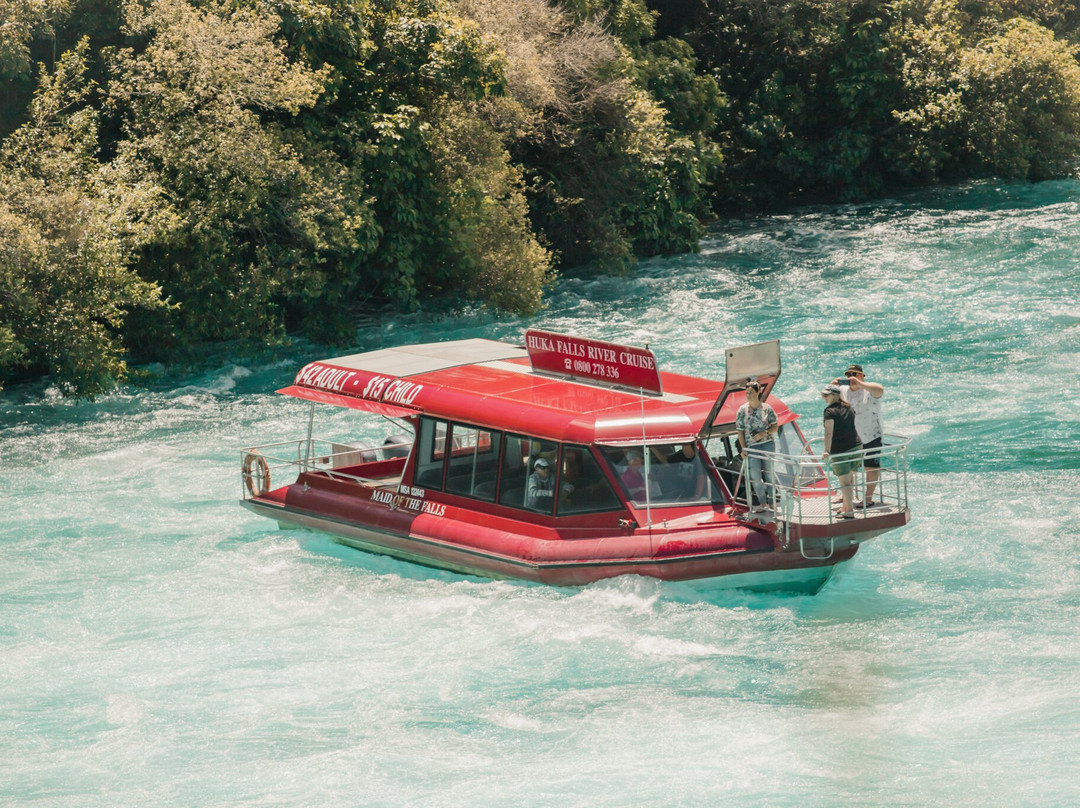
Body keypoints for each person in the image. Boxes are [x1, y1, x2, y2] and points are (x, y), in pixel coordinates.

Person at [833, 363, 886, 508]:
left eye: (854, 374)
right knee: (847, 468)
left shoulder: (869, 390)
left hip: (871, 434)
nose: (851, 377)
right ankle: (845, 496)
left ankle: (868, 498)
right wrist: (832, 385)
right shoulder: (843, 390)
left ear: (862, 376)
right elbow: (826, 395)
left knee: (871, 467)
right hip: (851, 436)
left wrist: (861, 384)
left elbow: (880, 389)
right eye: (848, 375)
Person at [735, 380, 778, 513]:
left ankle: (772, 502)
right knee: (755, 476)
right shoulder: (742, 410)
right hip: (751, 447)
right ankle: (762, 502)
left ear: (758, 392)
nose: (748, 395)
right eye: (747, 392)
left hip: (767, 445)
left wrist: (763, 433)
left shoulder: (767, 408)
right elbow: (740, 431)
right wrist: (743, 449)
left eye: (751, 392)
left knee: (769, 475)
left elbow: (775, 426)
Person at [821, 383, 862, 519]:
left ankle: (849, 511)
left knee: (844, 482)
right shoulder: (848, 406)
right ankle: (846, 506)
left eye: (827, 395)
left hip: (841, 450)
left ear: (835, 395)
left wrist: (827, 450)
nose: (824, 397)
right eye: (823, 395)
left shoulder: (829, 411)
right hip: (856, 446)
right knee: (849, 479)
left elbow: (828, 433)